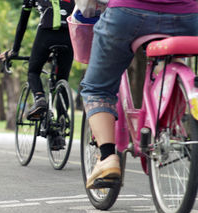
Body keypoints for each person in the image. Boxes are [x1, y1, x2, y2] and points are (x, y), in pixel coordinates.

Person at [79, 0, 198, 189]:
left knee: (97, 87)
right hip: (188, 17)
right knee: (173, 56)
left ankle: (108, 157)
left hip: (128, 14)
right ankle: (167, 118)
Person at [0, 0, 74, 149]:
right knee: (62, 80)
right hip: (70, 35)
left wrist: (14, 50)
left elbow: (23, 22)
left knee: (33, 71)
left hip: (46, 33)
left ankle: (39, 98)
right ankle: (61, 123)